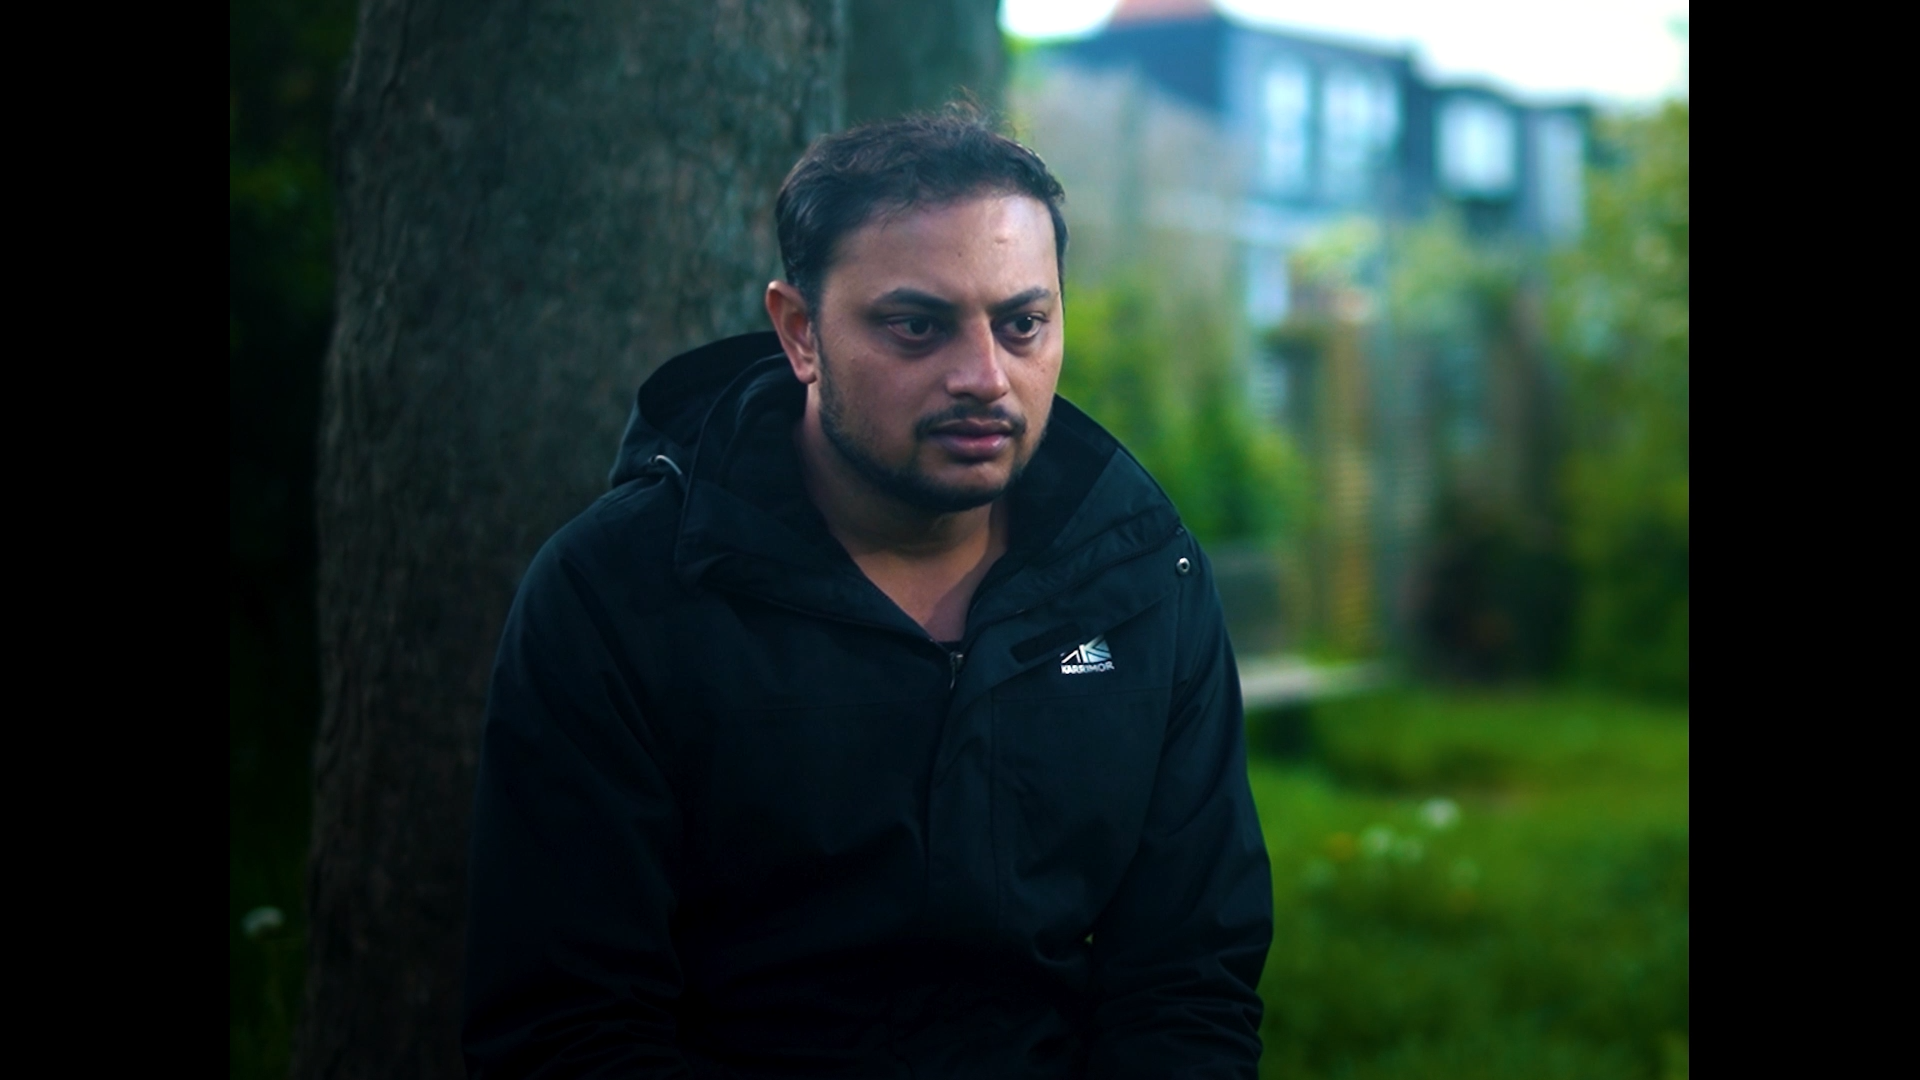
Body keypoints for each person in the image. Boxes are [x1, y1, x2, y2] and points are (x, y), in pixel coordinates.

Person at [463, 112, 1272, 1079]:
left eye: (1023, 323)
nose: (984, 378)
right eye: (917, 327)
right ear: (800, 332)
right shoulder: (616, 594)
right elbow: (569, 1028)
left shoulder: (1140, 581)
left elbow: (1188, 982)